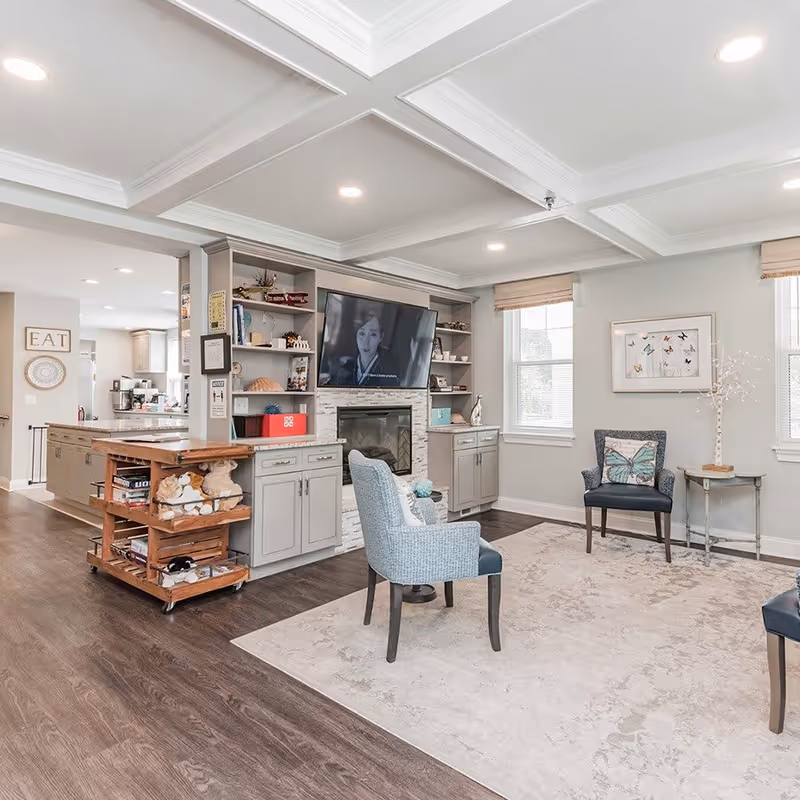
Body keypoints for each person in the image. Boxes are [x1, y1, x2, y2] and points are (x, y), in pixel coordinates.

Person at [330, 314, 399, 387]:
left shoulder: (391, 372)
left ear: (381, 337)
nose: (365, 342)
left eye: (373, 334)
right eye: (362, 333)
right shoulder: (346, 368)